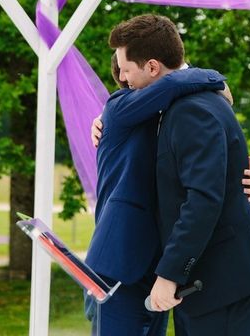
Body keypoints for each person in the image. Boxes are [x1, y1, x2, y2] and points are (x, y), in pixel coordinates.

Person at [108, 14, 250, 336]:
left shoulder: (191, 111)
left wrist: (170, 275)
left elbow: (203, 198)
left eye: (127, 70)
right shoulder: (186, 102)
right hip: (209, 280)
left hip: (221, 282)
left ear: (153, 67)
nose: (124, 81)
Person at [85, 48, 230, 336]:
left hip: (158, 266)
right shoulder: (118, 107)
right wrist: (218, 80)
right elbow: (174, 82)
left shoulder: (171, 115)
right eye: (126, 72)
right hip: (119, 265)